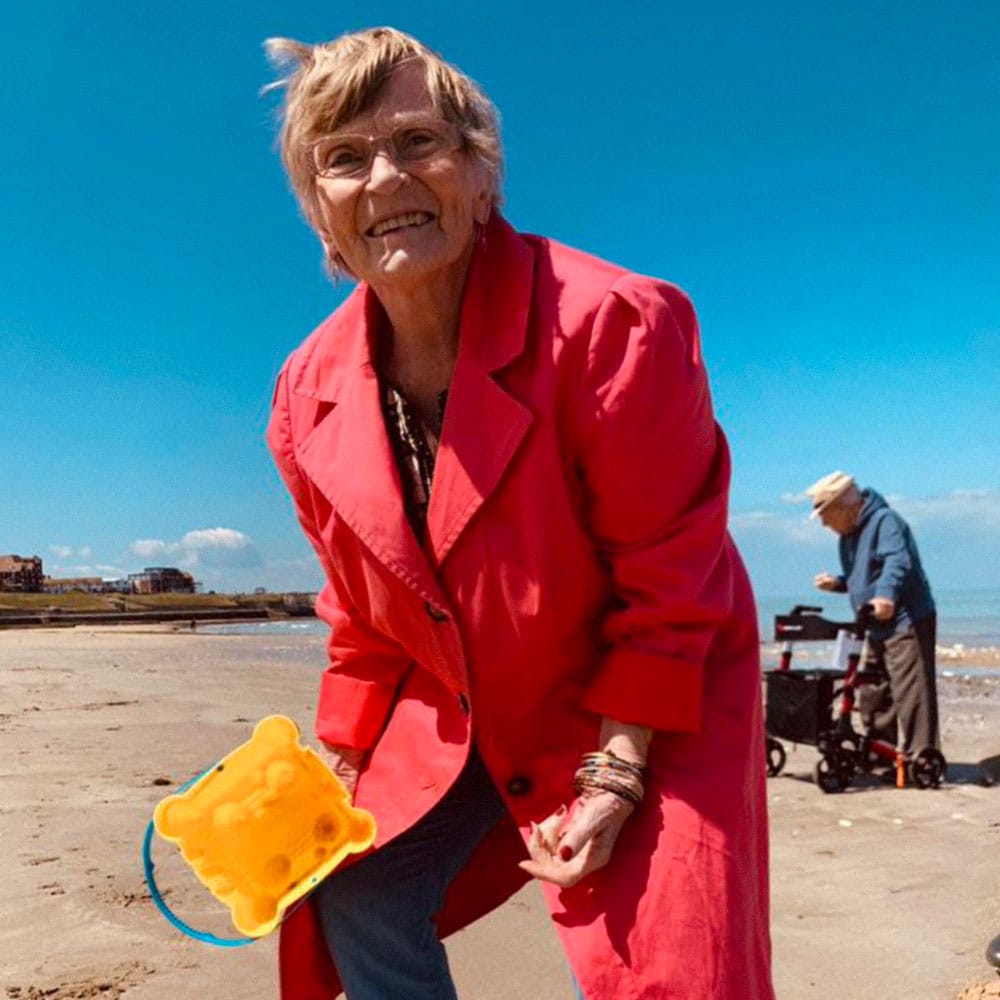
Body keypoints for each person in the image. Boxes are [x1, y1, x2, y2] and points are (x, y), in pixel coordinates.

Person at [265, 26, 773, 1000]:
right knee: (355, 884)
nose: (385, 177)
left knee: (670, 960)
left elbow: (668, 580)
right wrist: (340, 757)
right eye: (344, 158)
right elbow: (362, 617)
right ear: (319, 210)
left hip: (654, 670)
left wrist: (617, 771)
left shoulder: (612, 322)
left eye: (417, 141)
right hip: (469, 689)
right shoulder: (304, 395)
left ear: (478, 172)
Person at [806, 470, 939, 756]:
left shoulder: (884, 521)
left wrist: (886, 596)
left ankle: (922, 758)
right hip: (873, 622)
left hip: (906, 618)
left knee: (912, 693)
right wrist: (839, 583)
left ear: (843, 506)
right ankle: (882, 753)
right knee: (873, 690)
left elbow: (896, 561)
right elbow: (863, 577)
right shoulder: (847, 537)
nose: (825, 524)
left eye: (826, 516)